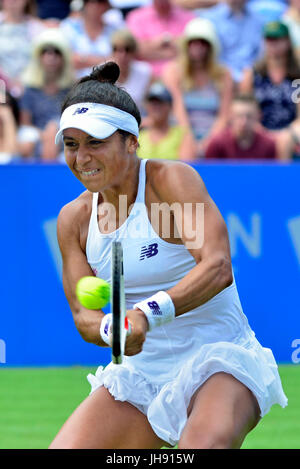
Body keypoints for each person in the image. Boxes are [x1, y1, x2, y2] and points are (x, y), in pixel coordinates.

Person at [48, 61, 287, 449]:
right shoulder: (73, 219)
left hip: (218, 357)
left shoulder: (171, 181)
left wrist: (146, 313)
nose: (82, 157)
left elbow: (217, 266)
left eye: (96, 142)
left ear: (131, 141)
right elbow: (83, 315)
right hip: (140, 375)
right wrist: (114, 331)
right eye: (71, 145)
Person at [162, 17, 233, 158]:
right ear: (186, 45)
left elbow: (224, 115)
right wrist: (190, 139)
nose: (198, 47)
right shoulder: (174, 72)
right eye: (193, 42)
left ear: (210, 47)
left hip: (214, 135)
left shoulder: (223, 74)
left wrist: (209, 141)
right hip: (182, 132)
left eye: (203, 43)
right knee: (186, 150)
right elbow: (178, 111)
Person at [239, 21, 300, 159]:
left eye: (277, 39)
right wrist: (261, 130)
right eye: (269, 39)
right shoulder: (253, 74)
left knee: (285, 140)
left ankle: (282, 179)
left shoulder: (296, 76)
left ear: (287, 41)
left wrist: (285, 133)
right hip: (257, 127)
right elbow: (244, 106)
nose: (273, 44)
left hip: (289, 130)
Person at [19, 28, 75, 160]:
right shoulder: (30, 89)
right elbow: (25, 123)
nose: (51, 57)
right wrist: (45, 135)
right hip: (36, 134)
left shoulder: (72, 89)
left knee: (53, 130)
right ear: (39, 57)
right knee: (27, 141)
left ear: (63, 58)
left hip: (65, 134)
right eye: (46, 52)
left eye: (56, 52)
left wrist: (53, 131)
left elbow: (75, 120)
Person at [199, 0, 264, 84]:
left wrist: (250, 75)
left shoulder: (259, 19)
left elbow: (261, 54)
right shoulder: (209, 19)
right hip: (219, 79)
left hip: (253, 79)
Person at [126, 0, 195, 78]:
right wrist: (172, 45)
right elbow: (136, 50)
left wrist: (150, 45)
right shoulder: (136, 17)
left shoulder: (188, 16)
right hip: (147, 80)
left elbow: (192, 50)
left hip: (181, 78)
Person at [60, 0, 124, 79]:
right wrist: (106, 60)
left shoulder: (115, 29)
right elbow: (67, 60)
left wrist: (84, 59)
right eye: (92, 1)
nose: (96, 5)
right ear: (85, 3)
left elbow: (119, 60)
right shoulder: (68, 26)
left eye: (101, 2)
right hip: (73, 84)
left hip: (106, 85)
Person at [205, 94, 277, 160]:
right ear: (230, 116)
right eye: (239, 116)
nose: (244, 122)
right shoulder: (217, 143)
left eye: (249, 116)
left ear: (259, 116)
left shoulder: (268, 145)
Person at [137, 81, 196, 160]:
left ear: (170, 107)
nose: (156, 107)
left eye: (161, 102)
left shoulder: (182, 135)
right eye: (152, 102)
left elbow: (187, 167)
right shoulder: (138, 136)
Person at [0, 0, 45, 97]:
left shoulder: (37, 27)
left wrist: (24, 81)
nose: (13, 1)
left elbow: (39, 59)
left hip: (29, 86)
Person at [110, 29, 153, 113]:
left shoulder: (145, 72)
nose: (122, 55)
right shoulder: (100, 72)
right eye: (117, 49)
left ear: (134, 51)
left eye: (127, 49)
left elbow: (151, 104)